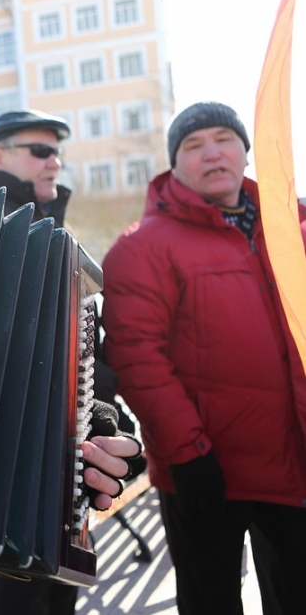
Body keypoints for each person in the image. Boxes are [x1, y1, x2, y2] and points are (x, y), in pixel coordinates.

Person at [0, 110, 145, 615]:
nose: (54, 162)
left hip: (47, 473)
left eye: (57, 152)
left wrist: (97, 417)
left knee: (50, 591)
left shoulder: (57, 235)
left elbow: (82, 356)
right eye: (40, 151)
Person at [101, 101, 306, 615]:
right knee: (211, 602)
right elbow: (137, 356)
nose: (212, 152)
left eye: (224, 138)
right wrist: (189, 454)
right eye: (194, 145)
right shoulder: (142, 247)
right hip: (203, 473)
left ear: (245, 150)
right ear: (175, 163)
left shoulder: (292, 231)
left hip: (294, 464)